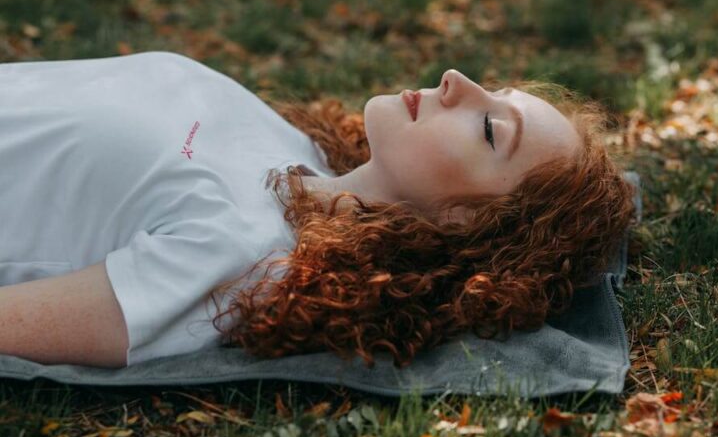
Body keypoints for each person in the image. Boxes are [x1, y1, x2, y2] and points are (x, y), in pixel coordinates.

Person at [0, 51, 635, 369]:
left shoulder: (243, 257)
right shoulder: (291, 148)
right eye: (493, 90)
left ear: (465, 224)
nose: (455, 79)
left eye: (491, 130)